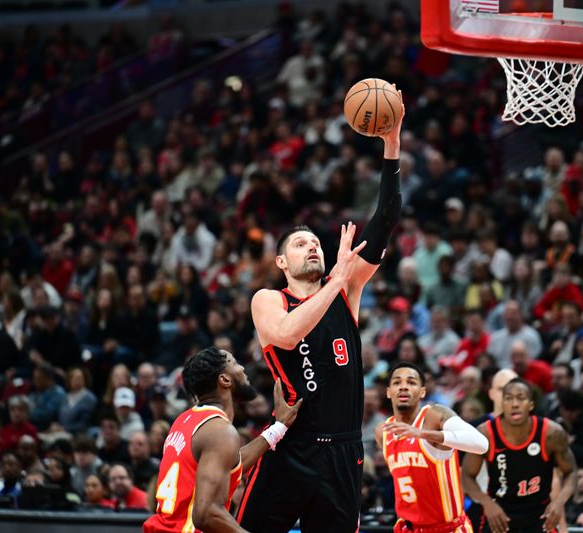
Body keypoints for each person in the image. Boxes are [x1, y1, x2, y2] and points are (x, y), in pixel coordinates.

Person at [237, 91, 405, 533]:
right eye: (299, 244)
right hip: (291, 447)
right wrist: (336, 280)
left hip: (343, 452)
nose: (312, 246)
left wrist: (392, 143)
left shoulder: (346, 286)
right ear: (281, 264)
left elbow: (386, 217)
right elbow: (288, 336)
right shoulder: (268, 299)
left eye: (315, 242)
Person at [143, 347, 301, 532]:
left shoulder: (185, 421)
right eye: (234, 363)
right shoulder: (220, 431)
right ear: (224, 380)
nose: (242, 368)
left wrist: (278, 428)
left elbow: (229, 464)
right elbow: (206, 514)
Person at [375, 362, 488, 532]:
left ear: (422, 392)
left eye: (411, 382)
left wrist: (421, 433)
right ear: (389, 392)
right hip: (408, 527)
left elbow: (481, 444)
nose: (403, 387)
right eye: (397, 382)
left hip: (447, 528)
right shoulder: (383, 431)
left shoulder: (434, 416)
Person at [461, 378, 578, 533]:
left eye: (521, 398)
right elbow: (467, 476)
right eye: (508, 398)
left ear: (531, 404)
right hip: (500, 512)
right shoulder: (486, 433)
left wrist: (559, 503)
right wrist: (487, 503)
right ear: (502, 404)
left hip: (539, 513)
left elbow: (572, 472)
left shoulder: (551, 433)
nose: (514, 404)